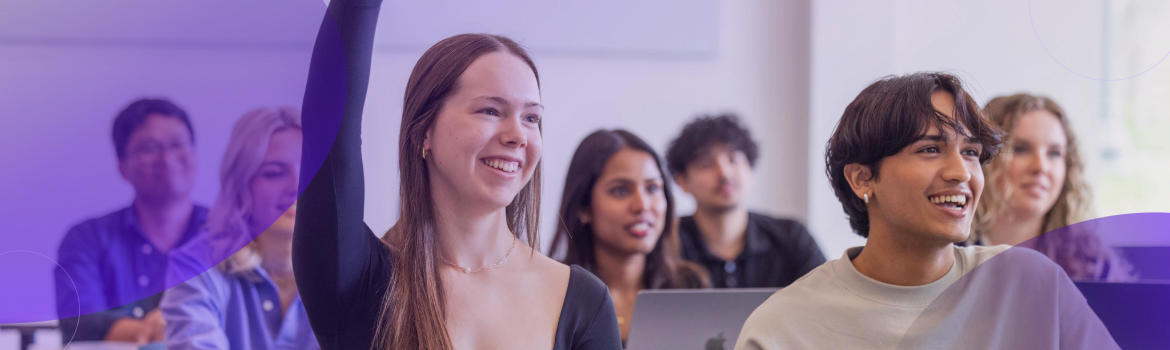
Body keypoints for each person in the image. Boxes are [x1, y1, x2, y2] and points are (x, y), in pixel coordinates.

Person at [292, 0, 622, 349]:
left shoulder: (584, 301)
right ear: (424, 132)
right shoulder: (358, 280)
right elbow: (327, 133)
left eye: (531, 117)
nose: (517, 136)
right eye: (490, 110)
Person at [734, 72, 1117, 349]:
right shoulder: (783, 328)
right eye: (930, 149)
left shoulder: (1033, 285)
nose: (961, 173)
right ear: (862, 178)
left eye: (971, 152)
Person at [160, 107, 317, 349]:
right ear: (242, 185)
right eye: (274, 173)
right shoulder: (195, 265)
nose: (297, 187)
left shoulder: (351, 269)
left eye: (308, 171)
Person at [55, 98, 206, 344]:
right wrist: (155, 331)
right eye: (150, 148)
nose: (167, 158)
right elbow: (80, 322)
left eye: (178, 144)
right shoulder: (87, 239)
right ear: (122, 166)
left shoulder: (229, 232)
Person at [551, 129, 709, 343]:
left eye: (652, 188)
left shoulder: (690, 286)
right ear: (583, 207)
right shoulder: (555, 293)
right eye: (620, 191)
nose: (642, 205)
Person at [972, 94, 1132, 281]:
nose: (1041, 167)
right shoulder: (943, 256)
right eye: (1020, 149)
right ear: (983, 158)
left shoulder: (1092, 265)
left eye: (1054, 153)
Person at [665, 114, 825, 288]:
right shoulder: (666, 243)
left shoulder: (790, 237)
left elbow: (827, 302)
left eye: (733, 159)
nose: (724, 173)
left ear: (750, 167)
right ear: (681, 180)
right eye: (706, 164)